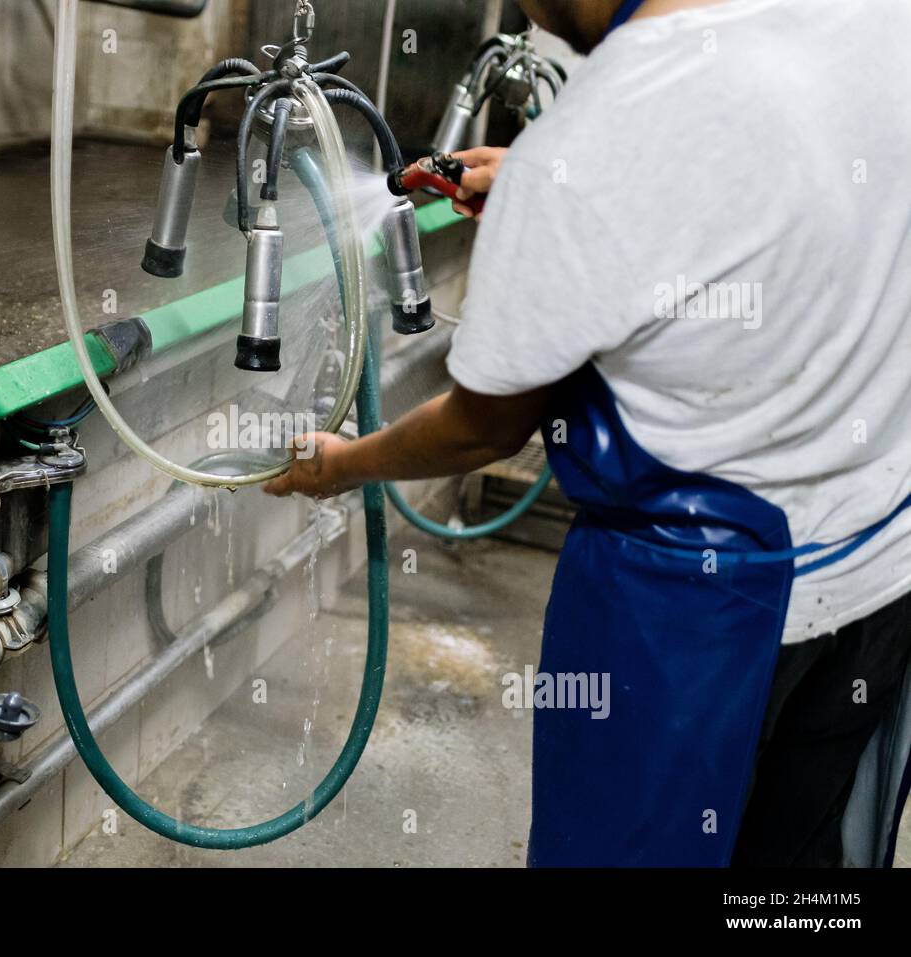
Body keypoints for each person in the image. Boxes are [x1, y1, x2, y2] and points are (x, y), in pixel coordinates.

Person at [264, 0, 911, 867]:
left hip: (692, 623)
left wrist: (343, 464)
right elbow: (782, 187)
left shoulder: (610, 121)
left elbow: (479, 429)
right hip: (881, 571)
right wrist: (560, 193)